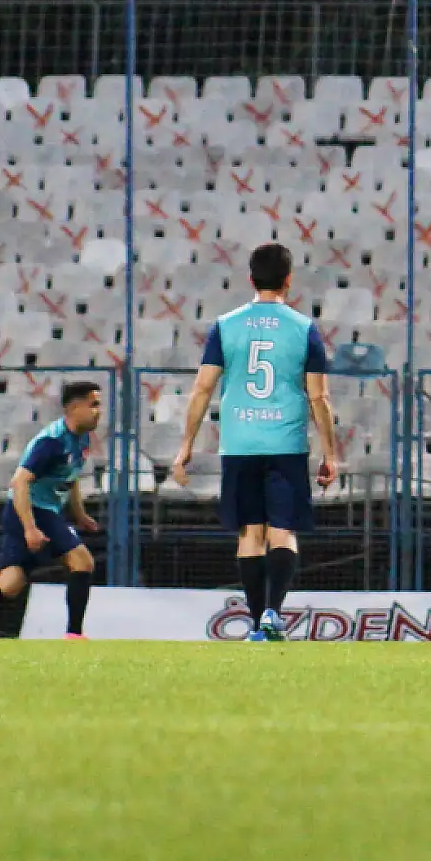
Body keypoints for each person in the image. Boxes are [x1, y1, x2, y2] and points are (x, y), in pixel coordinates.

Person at [173, 243, 337, 643]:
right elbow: (318, 396)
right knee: (283, 531)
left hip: (240, 442)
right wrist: (331, 453)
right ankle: (272, 614)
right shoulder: (303, 328)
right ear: (289, 280)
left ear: (250, 279)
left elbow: (202, 389)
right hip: (286, 442)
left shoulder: (225, 325)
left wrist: (186, 445)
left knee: (250, 533)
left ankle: (255, 625)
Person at [0, 382, 104, 640]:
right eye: (94, 405)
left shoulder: (81, 438)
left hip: (40, 511)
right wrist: (30, 528)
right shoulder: (52, 442)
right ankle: (74, 634)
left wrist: (79, 514)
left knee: (9, 584)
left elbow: (70, 476)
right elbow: (20, 481)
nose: (99, 411)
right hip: (31, 511)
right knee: (82, 561)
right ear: (75, 407)